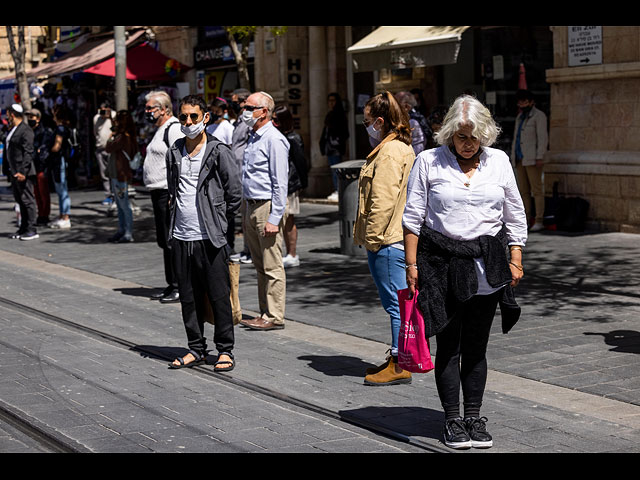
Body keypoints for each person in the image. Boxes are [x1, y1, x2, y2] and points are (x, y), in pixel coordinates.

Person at [402, 94, 528, 449]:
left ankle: (473, 416)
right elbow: (412, 219)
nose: (468, 144)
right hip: (441, 266)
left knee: (476, 346)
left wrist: (515, 258)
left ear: (485, 134)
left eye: (474, 137)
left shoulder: (499, 161)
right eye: (461, 137)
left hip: (487, 267)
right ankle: (452, 419)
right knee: (450, 344)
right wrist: (412, 266)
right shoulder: (428, 161)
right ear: (450, 134)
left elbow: (514, 215)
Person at [166, 95, 241, 371]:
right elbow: (173, 190)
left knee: (219, 295)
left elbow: (235, 193)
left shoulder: (219, 150)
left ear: (205, 118)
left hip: (210, 237)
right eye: (183, 117)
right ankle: (196, 348)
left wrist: (218, 222)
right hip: (181, 236)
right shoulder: (174, 151)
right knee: (188, 296)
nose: (188, 122)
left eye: (193, 117)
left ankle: (225, 349)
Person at [353, 91, 416, 386]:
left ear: (380, 121)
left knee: (396, 305)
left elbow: (383, 200)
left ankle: (400, 363)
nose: (366, 127)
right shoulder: (397, 147)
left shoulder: (390, 152)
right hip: (393, 239)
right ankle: (397, 356)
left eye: (368, 122)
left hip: (388, 240)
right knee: (399, 303)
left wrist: (374, 240)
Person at [237, 91, 290, 331]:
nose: (244, 111)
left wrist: (274, 217)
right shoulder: (253, 137)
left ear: (264, 112)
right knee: (260, 264)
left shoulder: (274, 139)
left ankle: (274, 315)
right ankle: (264, 312)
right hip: (251, 205)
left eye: (249, 107)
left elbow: (280, 183)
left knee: (272, 264)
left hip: (266, 206)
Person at [143, 90, 184, 303]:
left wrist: (175, 192)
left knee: (171, 241)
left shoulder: (173, 128)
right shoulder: (159, 130)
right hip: (157, 192)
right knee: (164, 241)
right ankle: (171, 283)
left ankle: (179, 285)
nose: (147, 112)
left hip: (167, 193)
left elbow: (181, 162)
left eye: (151, 108)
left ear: (165, 109)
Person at [272, 105, 308, 269]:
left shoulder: (292, 138)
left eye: (276, 120)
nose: (273, 122)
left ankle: (292, 253)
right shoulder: (276, 136)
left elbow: (300, 162)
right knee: (281, 219)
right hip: (281, 184)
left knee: (288, 219)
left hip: (290, 184)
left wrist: (302, 183)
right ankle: (286, 253)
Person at [510, 89, 548, 232]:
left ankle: (539, 219)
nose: (522, 104)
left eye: (525, 101)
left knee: (537, 190)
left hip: (533, 158)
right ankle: (526, 219)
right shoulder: (519, 117)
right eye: (520, 101)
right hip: (520, 159)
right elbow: (516, 138)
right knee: (523, 191)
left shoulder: (539, 116)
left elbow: (542, 138)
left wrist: (540, 156)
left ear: (532, 102)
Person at [5, 104, 38, 241]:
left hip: (23, 172)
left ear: (12, 114)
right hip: (14, 172)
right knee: (20, 200)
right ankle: (23, 227)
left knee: (28, 200)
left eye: (8, 115)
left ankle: (31, 229)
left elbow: (28, 152)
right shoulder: (14, 129)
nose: (7, 118)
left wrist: (23, 171)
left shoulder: (25, 130)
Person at [105, 110, 137, 243]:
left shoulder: (123, 137)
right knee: (120, 204)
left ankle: (128, 232)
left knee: (124, 204)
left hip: (120, 174)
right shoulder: (127, 136)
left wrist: (111, 135)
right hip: (118, 174)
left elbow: (109, 147)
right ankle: (122, 229)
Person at [229, 88, 253, 264]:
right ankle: (246, 249)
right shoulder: (238, 121)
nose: (233, 104)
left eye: (236, 101)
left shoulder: (248, 121)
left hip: (245, 172)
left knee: (248, 216)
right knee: (243, 216)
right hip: (237, 172)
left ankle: (251, 250)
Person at [27, 108, 54, 227]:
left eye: (32, 117)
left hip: (41, 167)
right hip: (32, 166)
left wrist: (38, 154)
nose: (29, 119)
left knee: (43, 192)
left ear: (38, 118)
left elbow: (42, 150)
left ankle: (45, 215)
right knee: (36, 193)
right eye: (28, 117)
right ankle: (40, 214)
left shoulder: (44, 132)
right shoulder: (28, 131)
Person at [320, 92, 349, 202]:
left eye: (333, 101)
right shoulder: (330, 114)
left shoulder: (340, 115)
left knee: (336, 169)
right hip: (330, 147)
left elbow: (344, 133)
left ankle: (338, 190)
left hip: (336, 147)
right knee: (333, 168)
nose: (331, 103)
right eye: (329, 101)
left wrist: (337, 141)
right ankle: (336, 189)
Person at [48, 104, 73, 230]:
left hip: (59, 161)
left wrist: (47, 150)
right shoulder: (61, 128)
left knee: (62, 189)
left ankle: (66, 217)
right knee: (60, 189)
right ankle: (62, 215)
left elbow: (57, 146)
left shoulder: (60, 129)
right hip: (59, 161)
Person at [93, 102, 115, 205]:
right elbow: (95, 132)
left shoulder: (114, 115)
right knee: (104, 174)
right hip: (100, 148)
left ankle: (115, 194)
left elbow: (116, 128)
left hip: (111, 148)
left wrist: (109, 116)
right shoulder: (96, 118)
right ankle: (108, 195)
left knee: (113, 173)